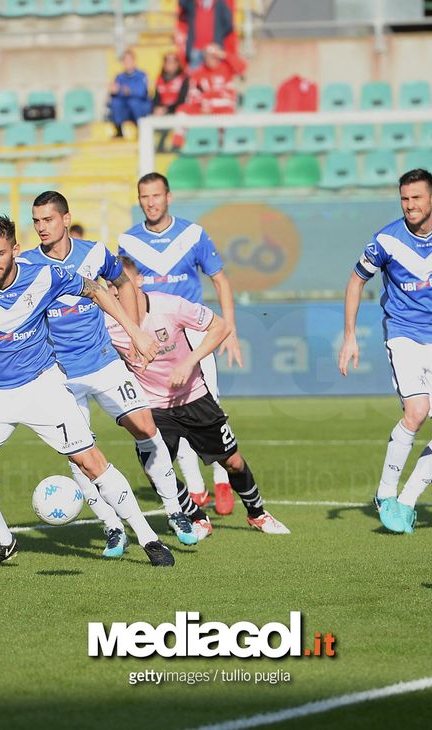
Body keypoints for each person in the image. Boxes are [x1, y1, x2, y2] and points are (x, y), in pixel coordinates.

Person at [0, 216, 175, 568]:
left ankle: (148, 538)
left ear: (15, 250)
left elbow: (95, 288)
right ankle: (3, 541)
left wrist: (135, 333)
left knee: (90, 461)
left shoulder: (45, 276)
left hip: (42, 387)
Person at [19, 192, 197, 557]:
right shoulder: (26, 265)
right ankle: (113, 527)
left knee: (146, 426)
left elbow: (126, 284)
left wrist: (135, 332)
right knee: (79, 453)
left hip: (103, 363)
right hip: (60, 375)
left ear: (66, 219)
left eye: (47, 220)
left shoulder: (95, 253)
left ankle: (175, 511)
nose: (41, 227)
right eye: (36, 221)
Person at [338, 168, 432, 535]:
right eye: (405, 199)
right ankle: (385, 492)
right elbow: (355, 281)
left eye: (417, 198)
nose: (410, 206)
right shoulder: (386, 241)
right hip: (403, 335)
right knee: (418, 410)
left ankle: (406, 500)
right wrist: (350, 335)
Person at [107, 256, 289, 535]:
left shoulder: (169, 305)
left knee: (232, 461)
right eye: (110, 285)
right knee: (153, 467)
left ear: (139, 281)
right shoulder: (108, 323)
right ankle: (196, 517)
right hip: (152, 406)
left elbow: (220, 327)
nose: (116, 290)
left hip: (193, 396)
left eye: (121, 283)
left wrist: (189, 362)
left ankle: (258, 514)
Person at [118, 171, 242, 514]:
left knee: (209, 407)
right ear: (139, 200)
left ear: (168, 197)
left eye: (156, 195)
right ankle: (196, 488)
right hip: (152, 336)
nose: (151, 202)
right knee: (168, 412)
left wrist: (230, 330)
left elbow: (220, 279)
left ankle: (221, 480)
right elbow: (121, 289)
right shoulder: (127, 241)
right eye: (144, 196)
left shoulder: (192, 234)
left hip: (194, 329)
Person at [176, 0, 246, 74]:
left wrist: (218, 35)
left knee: (214, 75)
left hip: (213, 50)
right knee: (193, 78)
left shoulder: (220, 4)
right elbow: (182, 5)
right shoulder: (192, 3)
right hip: (195, 50)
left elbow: (229, 25)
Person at [108, 49, 152, 139]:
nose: (127, 63)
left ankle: (141, 130)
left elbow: (142, 92)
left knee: (134, 103)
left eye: (129, 60)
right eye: (125, 60)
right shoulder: (119, 76)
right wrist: (114, 91)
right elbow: (117, 91)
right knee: (116, 103)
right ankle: (119, 130)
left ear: (134, 61)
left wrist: (129, 91)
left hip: (140, 105)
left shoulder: (141, 75)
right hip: (126, 105)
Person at [151, 51, 189, 153]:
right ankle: (152, 146)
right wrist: (157, 108)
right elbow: (156, 98)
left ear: (177, 64)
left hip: (176, 109)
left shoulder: (184, 79)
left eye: (173, 62)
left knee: (180, 116)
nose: (170, 64)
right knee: (150, 116)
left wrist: (166, 109)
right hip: (162, 110)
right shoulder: (160, 79)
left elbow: (182, 99)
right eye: (167, 62)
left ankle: (175, 145)